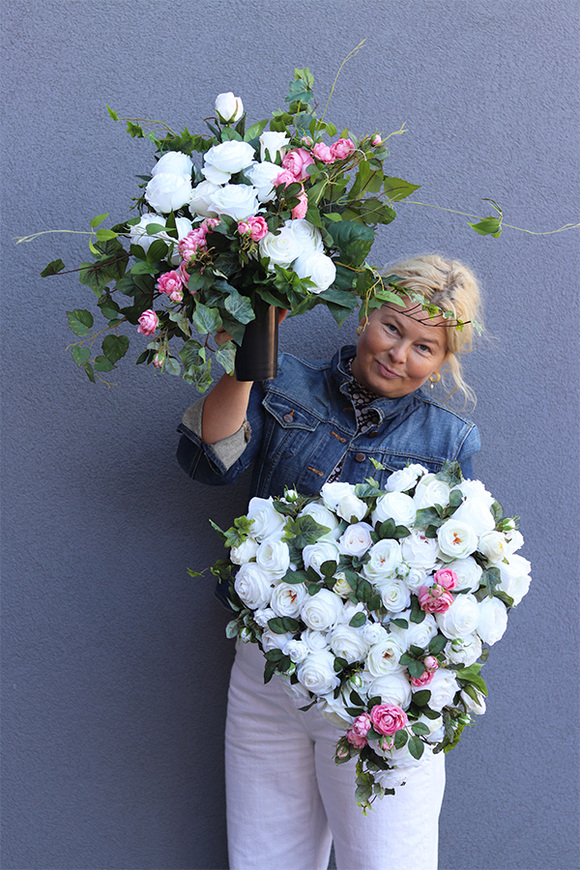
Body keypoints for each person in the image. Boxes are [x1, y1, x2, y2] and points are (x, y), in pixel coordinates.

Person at [177, 254, 484, 870]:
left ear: (442, 363)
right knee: (264, 858)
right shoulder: (283, 382)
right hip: (267, 673)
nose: (399, 353)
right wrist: (245, 363)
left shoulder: (449, 442)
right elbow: (208, 461)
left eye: (424, 346)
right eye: (392, 328)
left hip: (376, 688)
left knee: (386, 860)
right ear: (366, 314)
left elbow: (453, 578)